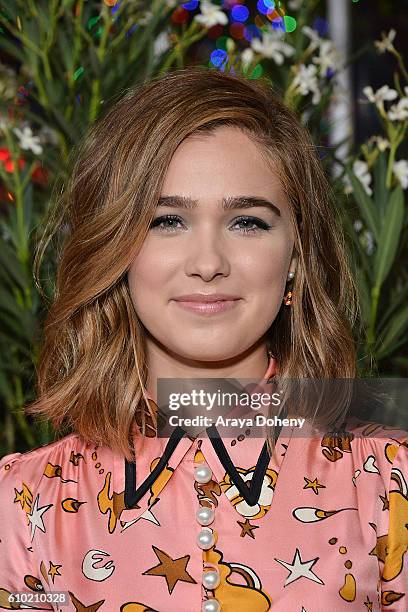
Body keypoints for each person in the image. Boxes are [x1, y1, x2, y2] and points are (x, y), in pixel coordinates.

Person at [0, 66, 407, 612]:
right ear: (116, 250)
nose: (209, 263)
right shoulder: (24, 509)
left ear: (296, 258)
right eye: (167, 221)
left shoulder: (387, 484)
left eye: (248, 222)